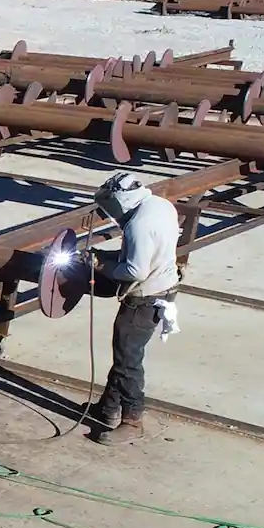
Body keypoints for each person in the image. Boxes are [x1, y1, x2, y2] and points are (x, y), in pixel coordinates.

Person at [87, 171, 181, 445]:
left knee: (128, 359)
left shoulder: (138, 225)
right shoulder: (160, 205)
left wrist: (100, 265)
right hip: (164, 287)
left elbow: (134, 270)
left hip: (144, 297)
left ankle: (132, 420)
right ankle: (107, 410)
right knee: (124, 352)